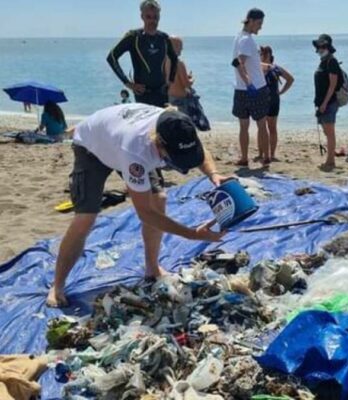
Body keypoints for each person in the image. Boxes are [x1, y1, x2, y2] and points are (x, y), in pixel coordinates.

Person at [46, 104, 227, 307]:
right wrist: (192, 234)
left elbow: (201, 152)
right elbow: (145, 213)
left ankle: (152, 268)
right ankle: (57, 285)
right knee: (85, 219)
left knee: (159, 199)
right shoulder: (136, 152)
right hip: (92, 148)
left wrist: (213, 174)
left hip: (118, 135)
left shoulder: (179, 126)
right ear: (158, 144)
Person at [106, 0, 178, 107]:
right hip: (143, 94)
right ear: (142, 16)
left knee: (162, 123)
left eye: (155, 17)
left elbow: (174, 59)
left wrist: (171, 81)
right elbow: (111, 57)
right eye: (148, 17)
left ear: (159, 17)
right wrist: (128, 84)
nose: (152, 21)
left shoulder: (163, 38)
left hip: (162, 93)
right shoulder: (133, 37)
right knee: (147, 123)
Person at [232, 8, 271, 168]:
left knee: (244, 125)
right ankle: (266, 157)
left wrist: (264, 66)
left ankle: (245, 158)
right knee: (261, 123)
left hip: (241, 89)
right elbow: (238, 63)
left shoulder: (239, 37)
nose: (260, 27)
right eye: (260, 23)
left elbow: (245, 62)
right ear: (252, 21)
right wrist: (249, 83)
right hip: (253, 88)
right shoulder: (247, 40)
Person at [258, 45, 294, 161]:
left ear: (267, 55)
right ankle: (263, 153)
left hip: (272, 101)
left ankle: (270, 154)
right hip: (264, 100)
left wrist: (281, 92)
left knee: (270, 128)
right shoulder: (262, 68)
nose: (260, 56)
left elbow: (290, 79)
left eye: (261, 54)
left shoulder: (274, 68)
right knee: (263, 128)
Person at [313, 34, 343, 171]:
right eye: (319, 46)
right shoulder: (323, 61)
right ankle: (330, 158)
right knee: (326, 131)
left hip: (329, 102)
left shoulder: (332, 62)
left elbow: (332, 85)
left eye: (323, 46)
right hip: (322, 102)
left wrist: (325, 103)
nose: (320, 48)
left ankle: (330, 161)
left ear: (329, 47)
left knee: (330, 132)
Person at [168, 37, 211, 131]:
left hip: (170, 98)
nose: (181, 50)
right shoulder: (179, 63)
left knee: (175, 127)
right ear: (174, 47)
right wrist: (192, 79)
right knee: (186, 127)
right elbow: (186, 84)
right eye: (180, 47)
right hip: (181, 101)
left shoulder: (163, 62)